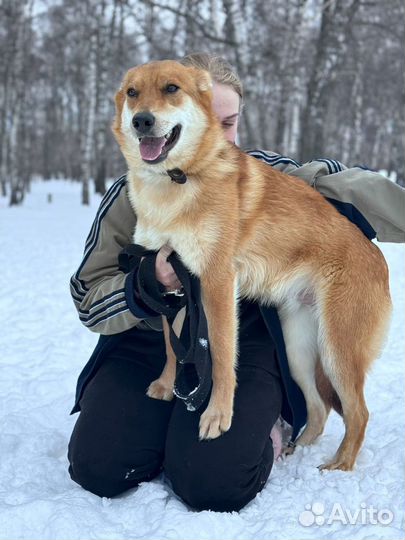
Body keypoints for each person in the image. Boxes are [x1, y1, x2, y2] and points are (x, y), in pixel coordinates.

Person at [68, 53, 405, 513]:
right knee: (100, 466)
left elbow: (335, 181)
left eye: (230, 123)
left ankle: (275, 423)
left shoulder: (256, 169)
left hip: (242, 336)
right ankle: (168, 421)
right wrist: (146, 283)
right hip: (148, 343)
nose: (220, 135)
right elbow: (88, 298)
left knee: (214, 479)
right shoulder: (127, 195)